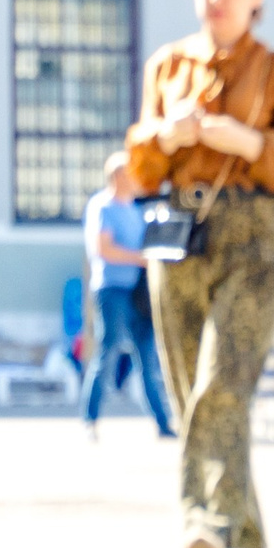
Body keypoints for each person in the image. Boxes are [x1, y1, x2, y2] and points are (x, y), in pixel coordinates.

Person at [125, 0, 274, 548]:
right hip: (176, 230)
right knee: (192, 391)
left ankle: (204, 521)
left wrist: (248, 142)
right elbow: (138, 169)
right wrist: (168, 136)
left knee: (222, 382)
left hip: (254, 235)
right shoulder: (166, 65)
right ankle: (245, 532)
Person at [81, 152, 176, 439]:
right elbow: (103, 249)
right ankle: (91, 419)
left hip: (139, 294)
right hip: (112, 290)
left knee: (148, 358)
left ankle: (163, 423)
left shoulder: (136, 211)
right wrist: (139, 258)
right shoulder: (102, 206)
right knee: (108, 351)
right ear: (118, 176)